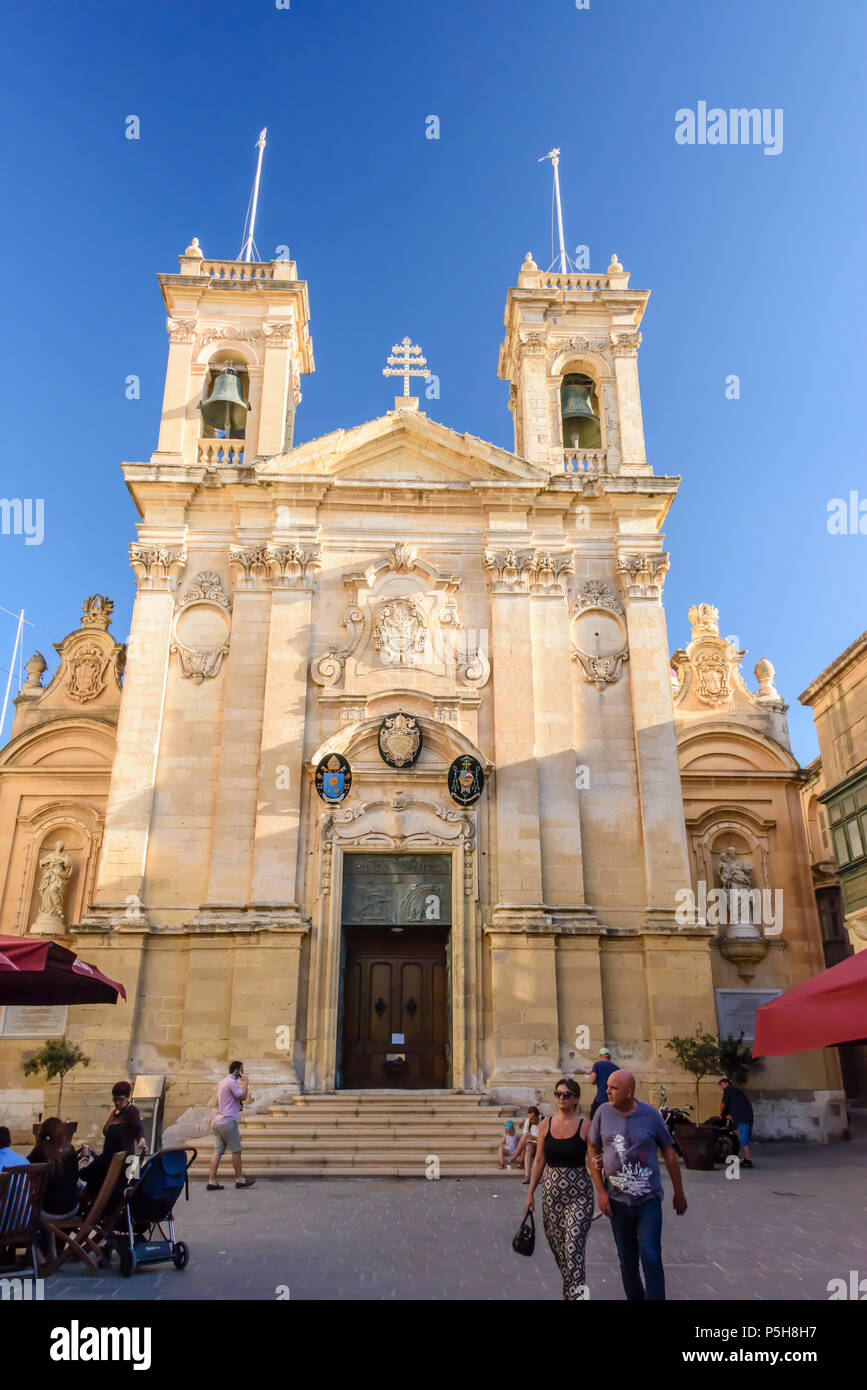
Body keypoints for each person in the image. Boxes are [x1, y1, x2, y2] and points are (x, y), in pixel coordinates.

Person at [588, 1070, 687, 1302]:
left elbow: (670, 1154)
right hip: (616, 1201)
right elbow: (592, 1147)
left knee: (651, 1257)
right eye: (607, 1087)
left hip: (648, 1201)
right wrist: (600, 1191)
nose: (606, 1091)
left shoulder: (651, 1115)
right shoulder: (603, 1113)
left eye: (613, 1088)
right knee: (627, 1261)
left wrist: (679, 1192)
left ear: (629, 1092)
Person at [524, 1078, 594, 1301]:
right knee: (559, 1249)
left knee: (573, 1248)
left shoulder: (585, 1127)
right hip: (552, 1196)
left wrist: (603, 1191)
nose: (561, 1098)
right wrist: (530, 1193)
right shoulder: (546, 1124)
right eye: (558, 1094)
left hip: (580, 1194)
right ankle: (570, 1292)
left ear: (575, 1099)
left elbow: (593, 1162)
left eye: (566, 1095)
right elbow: (539, 1159)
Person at [27, 1117, 81, 1265]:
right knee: (48, 1206)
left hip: (48, 1212)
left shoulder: (38, 1153)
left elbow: (27, 1172)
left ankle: (40, 1256)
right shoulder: (71, 1151)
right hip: (72, 1207)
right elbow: (76, 1178)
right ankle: (53, 1250)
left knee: (25, 1217)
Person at [79, 1118, 145, 1214]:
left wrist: (84, 1158)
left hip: (96, 1209)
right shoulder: (130, 1159)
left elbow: (83, 1175)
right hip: (115, 1206)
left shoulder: (103, 1160)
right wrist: (96, 1156)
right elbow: (108, 1165)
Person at [207, 1060, 255, 1190]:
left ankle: (211, 1180)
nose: (243, 1073)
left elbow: (218, 1103)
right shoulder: (232, 1082)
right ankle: (240, 1179)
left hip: (218, 1121)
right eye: (242, 1070)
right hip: (228, 1122)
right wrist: (245, 1083)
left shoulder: (222, 1082)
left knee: (217, 1151)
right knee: (236, 1150)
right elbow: (243, 1096)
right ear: (236, 1071)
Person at [719, 1077, 755, 1168]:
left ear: (725, 1084)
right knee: (746, 1137)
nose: (721, 1088)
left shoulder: (728, 1089)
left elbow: (723, 1104)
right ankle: (747, 1158)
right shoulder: (736, 1090)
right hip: (748, 1116)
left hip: (741, 1118)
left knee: (743, 1138)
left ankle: (748, 1161)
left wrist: (721, 1114)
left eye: (721, 1085)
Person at [588, 1047, 618, 1119]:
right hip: (612, 1100)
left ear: (601, 1056)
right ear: (609, 1057)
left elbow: (592, 1080)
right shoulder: (617, 1068)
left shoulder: (597, 1065)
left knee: (593, 1118)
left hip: (600, 1099)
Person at [514, 1106, 541, 1183]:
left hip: (541, 1145)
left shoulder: (544, 1120)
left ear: (537, 1116)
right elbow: (525, 1135)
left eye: (532, 1118)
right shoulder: (528, 1121)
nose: (531, 1120)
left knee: (526, 1138)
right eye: (529, 1118)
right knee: (528, 1146)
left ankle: (515, 1156)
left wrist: (533, 1137)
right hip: (531, 1145)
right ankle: (527, 1176)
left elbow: (546, 1139)